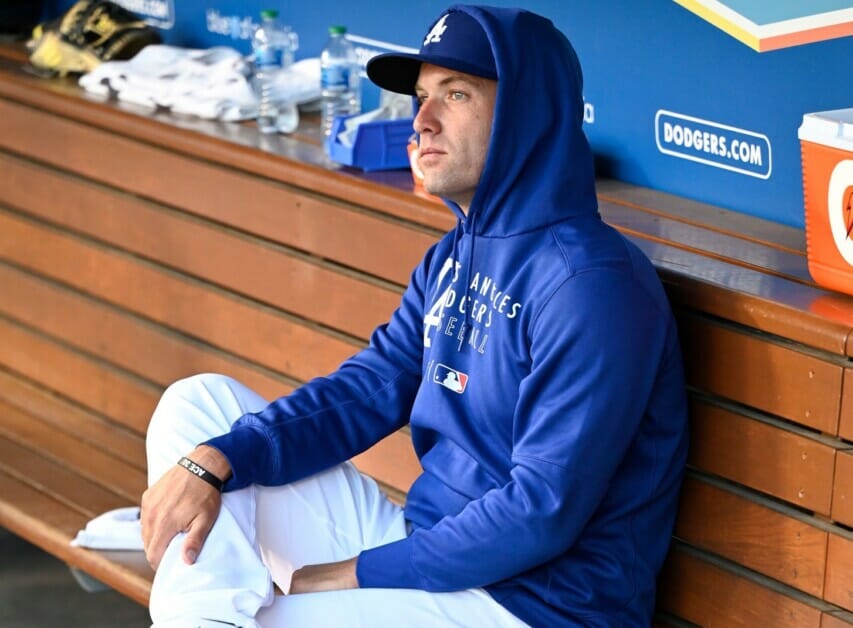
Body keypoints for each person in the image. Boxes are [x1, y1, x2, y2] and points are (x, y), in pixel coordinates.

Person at [141, 5, 689, 627]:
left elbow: (542, 510)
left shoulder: (591, 285)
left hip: (530, 607)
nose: (422, 120)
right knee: (200, 411)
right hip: (429, 554)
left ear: (525, 112)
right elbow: (368, 389)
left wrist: (358, 573)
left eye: (455, 94)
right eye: (422, 96)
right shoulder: (453, 255)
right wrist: (217, 460)